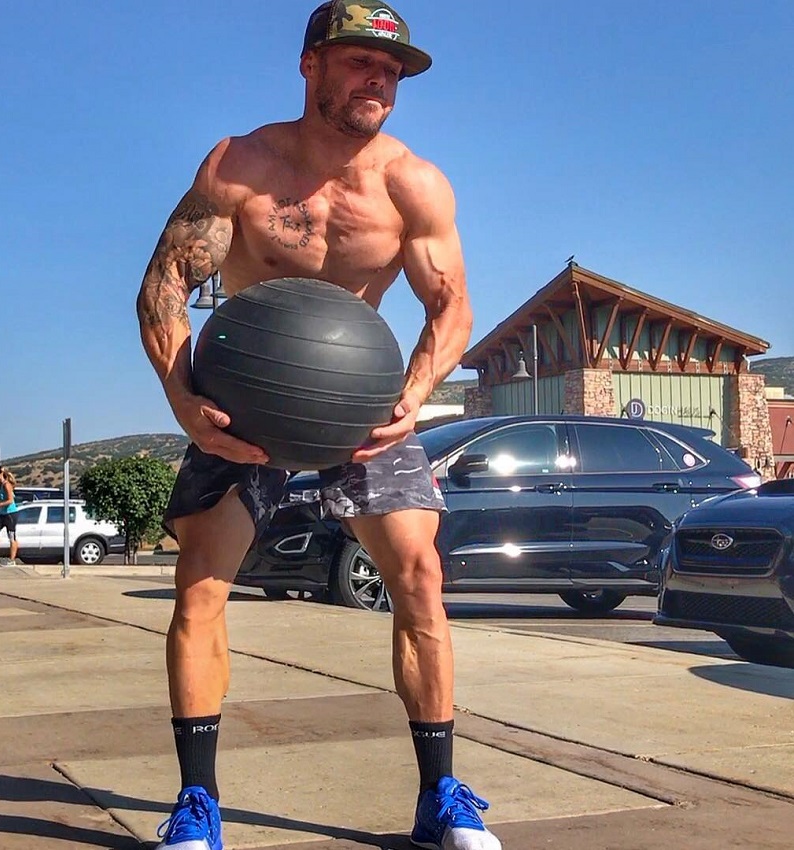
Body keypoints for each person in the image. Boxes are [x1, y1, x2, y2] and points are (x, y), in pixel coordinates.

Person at [136, 3, 499, 849]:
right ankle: (198, 806)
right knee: (200, 581)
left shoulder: (415, 184)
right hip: (248, 404)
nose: (380, 79)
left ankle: (442, 794)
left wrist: (413, 393)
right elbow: (163, 286)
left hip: (365, 412)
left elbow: (451, 306)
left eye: (393, 68)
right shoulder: (241, 165)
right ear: (310, 65)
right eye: (361, 61)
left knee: (420, 579)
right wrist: (183, 401)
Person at [0, 467, 19, 565]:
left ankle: (12, 560)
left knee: (11, 536)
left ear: (1, 474)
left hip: (10, 514)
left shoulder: (6, 485)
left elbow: (10, 500)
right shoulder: (0, 486)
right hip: (3, 514)